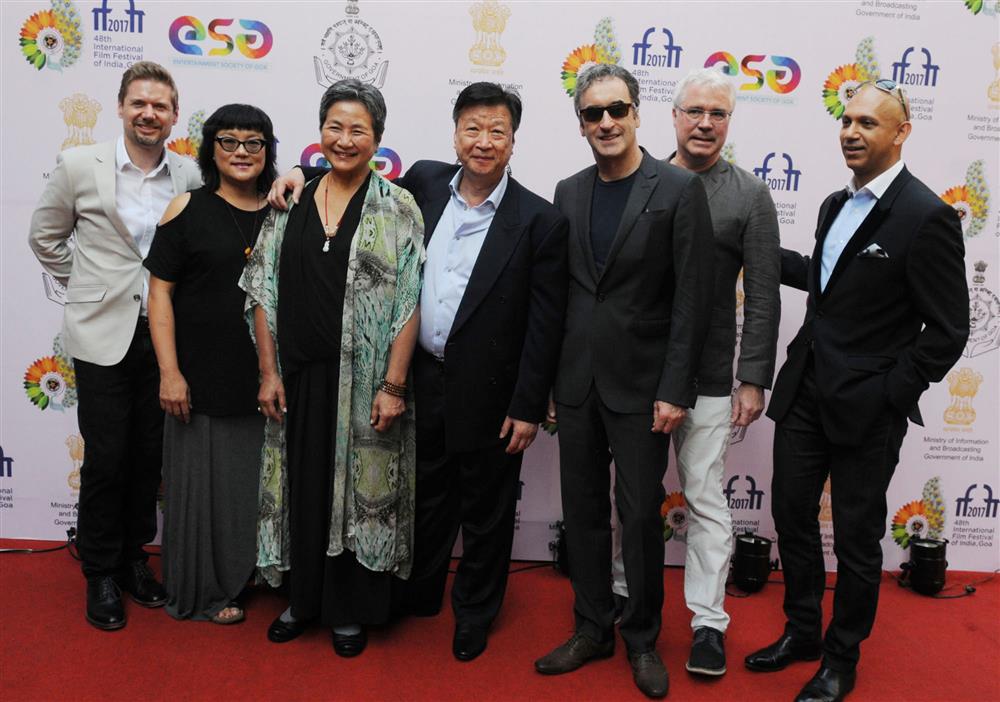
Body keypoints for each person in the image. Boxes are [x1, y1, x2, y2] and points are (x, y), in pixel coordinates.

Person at [269, 81, 569, 662]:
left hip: (491, 390)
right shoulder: (424, 184)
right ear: (455, 134)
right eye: (472, 129)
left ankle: (475, 614)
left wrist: (529, 405)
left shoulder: (539, 220)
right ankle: (415, 596)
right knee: (421, 496)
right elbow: (351, 184)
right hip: (414, 378)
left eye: (497, 132)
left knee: (486, 510)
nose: (483, 142)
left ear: (513, 140)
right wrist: (298, 178)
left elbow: (545, 323)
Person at [744, 81, 968, 702]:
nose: (852, 131)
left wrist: (890, 392)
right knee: (790, 517)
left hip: (868, 410)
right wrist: (751, 248)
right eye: (847, 119)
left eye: (869, 122)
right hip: (806, 395)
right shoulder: (830, 205)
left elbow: (949, 330)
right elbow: (824, 285)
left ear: (901, 133)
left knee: (857, 541)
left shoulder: (928, 216)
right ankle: (803, 634)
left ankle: (841, 660)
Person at [534, 64, 714, 699]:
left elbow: (693, 300)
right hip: (577, 382)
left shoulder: (677, 189)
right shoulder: (568, 190)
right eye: (592, 114)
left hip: (645, 388)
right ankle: (592, 627)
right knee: (582, 511)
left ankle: (641, 638)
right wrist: (554, 381)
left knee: (639, 517)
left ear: (638, 113)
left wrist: (675, 388)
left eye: (616, 110)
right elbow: (561, 297)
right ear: (580, 123)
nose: (605, 122)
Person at [240, 78, 424, 657]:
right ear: (319, 133)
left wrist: (394, 384)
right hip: (296, 378)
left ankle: (350, 610)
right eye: (334, 127)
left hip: (367, 382)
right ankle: (302, 600)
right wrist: (268, 372)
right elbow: (261, 290)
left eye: (358, 130)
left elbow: (410, 300)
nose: (344, 140)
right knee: (303, 487)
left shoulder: (398, 206)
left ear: (378, 139)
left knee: (361, 493)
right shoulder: (289, 198)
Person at [608, 67, 781, 677]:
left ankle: (708, 622)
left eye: (719, 114)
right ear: (673, 117)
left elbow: (763, 292)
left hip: (708, 377)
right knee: (633, 497)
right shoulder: (637, 181)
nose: (705, 123)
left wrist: (753, 376)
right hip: (636, 375)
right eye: (694, 112)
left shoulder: (750, 195)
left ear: (729, 122)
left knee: (705, 498)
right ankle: (625, 595)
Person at [28, 61, 202, 630]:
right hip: (101, 334)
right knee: (106, 458)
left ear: (174, 115)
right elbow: (45, 236)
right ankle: (99, 571)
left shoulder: (190, 175)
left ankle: (132, 559)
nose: (149, 113)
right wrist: (88, 282)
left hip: (166, 338)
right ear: (122, 107)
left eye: (160, 106)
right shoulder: (80, 164)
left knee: (150, 457)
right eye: (139, 103)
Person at [144, 104, 276, 624]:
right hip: (200, 373)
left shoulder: (283, 208)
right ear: (210, 149)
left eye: (253, 142)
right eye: (229, 141)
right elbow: (159, 296)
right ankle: (205, 588)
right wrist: (169, 372)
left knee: (252, 482)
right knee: (204, 484)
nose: (241, 152)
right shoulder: (186, 208)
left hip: (267, 376)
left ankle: (253, 570)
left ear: (268, 151)